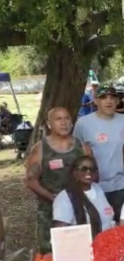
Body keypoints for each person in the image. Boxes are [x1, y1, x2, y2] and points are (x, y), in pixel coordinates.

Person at [26, 107, 92, 253]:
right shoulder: (41, 149)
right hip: (50, 212)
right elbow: (31, 180)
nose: (63, 123)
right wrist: (54, 198)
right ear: (49, 124)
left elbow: (94, 175)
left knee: (81, 253)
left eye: (67, 118)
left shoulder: (83, 148)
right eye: (58, 119)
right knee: (51, 255)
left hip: (80, 210)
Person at [73, 84, 124, 223]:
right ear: (95, 100)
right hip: (93, 187)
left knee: (121, 228)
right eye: (104, 97)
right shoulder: (83, 124)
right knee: (97, 227)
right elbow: (76, 153)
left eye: (112, 97)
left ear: (118, 101)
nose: (109, 101)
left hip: (120, 185)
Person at [52, 155, 114, 236]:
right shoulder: (65, 198)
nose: (88, 172)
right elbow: (60, 232)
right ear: (75, 173)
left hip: (106, 241)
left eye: (92, 169)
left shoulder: (98, 189)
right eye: (84, 169)